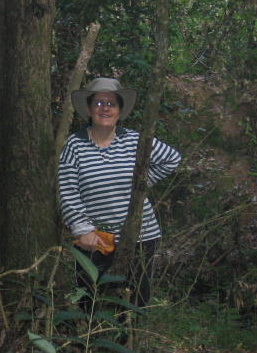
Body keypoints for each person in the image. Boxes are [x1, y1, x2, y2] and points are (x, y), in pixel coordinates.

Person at [58, 77, 181, 306]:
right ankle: (92, 342)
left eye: (111, 103)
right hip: (96, 240)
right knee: (93, 300)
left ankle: (130, 341)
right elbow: (67, 189)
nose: (104, 108)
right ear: (89, 109)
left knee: (135, 301)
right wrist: (82, 229)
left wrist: (141, 187)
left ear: (119, 110)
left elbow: (172, 159)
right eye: (98, 103)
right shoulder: (74, 145)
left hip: (140, 236)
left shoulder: (135, 140)